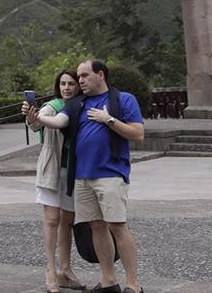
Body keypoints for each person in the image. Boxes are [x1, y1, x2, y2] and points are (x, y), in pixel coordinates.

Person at [26, 60, 145, 293]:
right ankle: (109, 281)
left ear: (100, 75)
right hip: (81, 176)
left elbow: (138, 134)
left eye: (84, 75)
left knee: (118, 226)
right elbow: (58, 121)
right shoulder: (78, 103)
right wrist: (38, 118)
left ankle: (133, 284)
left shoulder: (123, 99)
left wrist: (108, 119)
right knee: (96, 226)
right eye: (78, 76)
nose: (80, 80)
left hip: (110, 173)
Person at [28, 69, 84, 293]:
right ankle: (50, 269)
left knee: (68, 221)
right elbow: (37, 124)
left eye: (71, 83)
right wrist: (32, 117)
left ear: (78, 86)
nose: (67, 88)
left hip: (73, 169)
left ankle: (65, 268)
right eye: (63, 84)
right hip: (52, 167)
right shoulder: (52, 106)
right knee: (52, 219)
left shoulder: (82, 105)